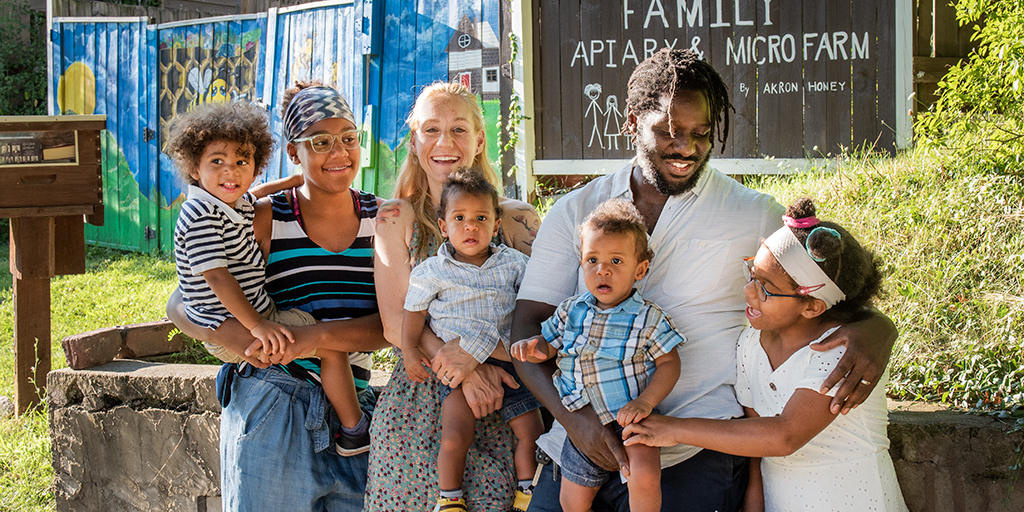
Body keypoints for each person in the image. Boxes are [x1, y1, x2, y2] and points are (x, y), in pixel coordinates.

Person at [511, 48, 898, 512]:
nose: (688, 149)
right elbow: (528, 324)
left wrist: (878, 329)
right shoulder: (575, 211)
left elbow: (819, 291)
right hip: (580, 447)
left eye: (701, 134)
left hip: (697, 451)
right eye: (670, 133)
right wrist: (575, 422)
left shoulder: (752, 212)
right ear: (632, 121)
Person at [166, 82, 388, 510]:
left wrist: (316, 339)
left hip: (356, 414)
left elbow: (394, 328)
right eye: (320, 142)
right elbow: (183, 298)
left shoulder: (384, 219)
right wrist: (236, 335)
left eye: (348, 138)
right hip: (275, 400)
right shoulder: (267, 218)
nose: (338, 152)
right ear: (294, 151)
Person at [624, 198, 909, 512]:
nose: (748, 291)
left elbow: (784, 436)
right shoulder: (752, 343)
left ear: (813, 306)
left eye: (766, 287)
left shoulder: (839, 351)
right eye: (751, 273)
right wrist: (754, 502)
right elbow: (756, 445)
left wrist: (673, 429)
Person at [367, 81, 543, 512]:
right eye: (431, 130)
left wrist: (482, 356)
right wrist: (462, 371)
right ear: (414, 140)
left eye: (459, 129)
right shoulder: (395, 217)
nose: (444, 143)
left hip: (510, 394)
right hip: (424, 400)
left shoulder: (516, 218)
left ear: (480, 139)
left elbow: (539, 314)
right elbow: (395, 324)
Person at [511, 198, 683, 512]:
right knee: (571, 498)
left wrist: (646, 402)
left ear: (640, 270)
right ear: (581, 263)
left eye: (616, 261)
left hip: (631, 417)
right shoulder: (571, 311)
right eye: (592, 260)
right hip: (580, 421)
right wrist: (534, 348)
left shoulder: (647, 318)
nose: (602, 270)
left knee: (643, 473)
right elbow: (549, 346)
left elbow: (669, 363)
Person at [403, 168, 544, 512]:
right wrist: (408, 349)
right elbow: (413, 314)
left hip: (510, 362)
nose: (470, 226)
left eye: (481, 218)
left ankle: (527, 492)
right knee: (453, 435)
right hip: (455, 365)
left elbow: (533, 307)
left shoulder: (514, 264)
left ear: (496, 224)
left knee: (531, 430)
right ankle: (450, 498)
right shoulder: (432, 272)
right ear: (443, 225)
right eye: (460, 218)